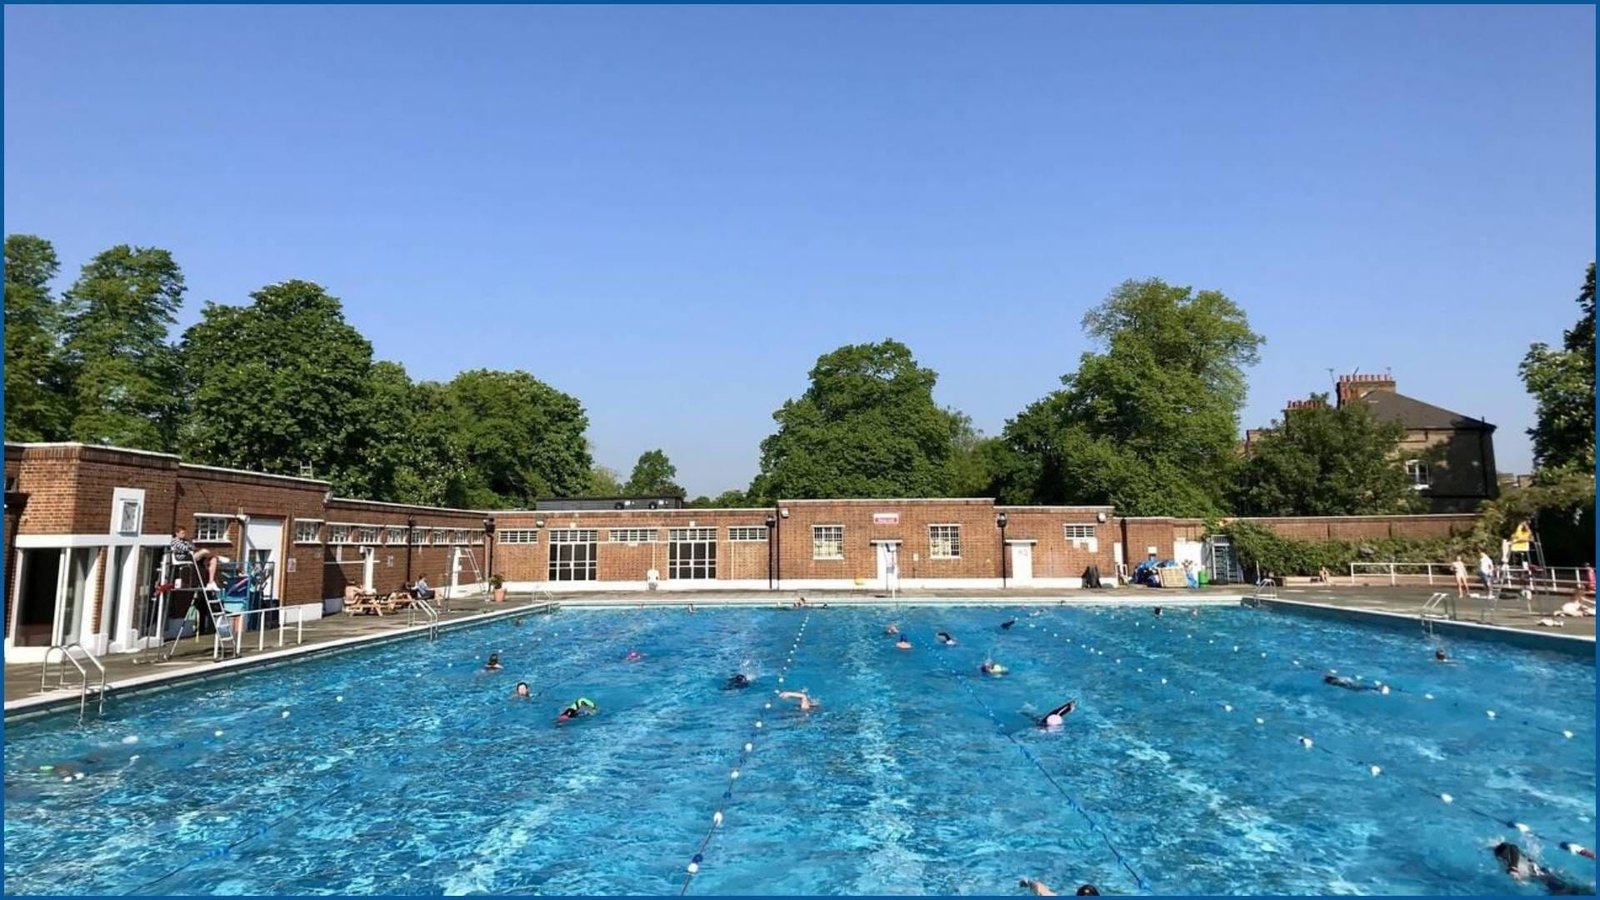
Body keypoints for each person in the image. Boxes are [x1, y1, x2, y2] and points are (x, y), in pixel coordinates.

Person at [1494, 841, 1594, 895]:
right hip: (1550, 881)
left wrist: (1513, 868)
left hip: (1550, 880)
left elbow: (1512, 848)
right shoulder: (1507, 862)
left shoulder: (1515, 860)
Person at [170, 526, 220, 591]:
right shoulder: (174, 541)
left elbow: (193, 547)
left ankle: (211, 582)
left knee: (213, 559)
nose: (184, 535)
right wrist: (189, 545)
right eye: (182, 533)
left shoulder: (186, 540)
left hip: (191, 555)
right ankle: (219, 557)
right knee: (204, 551)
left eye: (185, 533)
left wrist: (189, 544)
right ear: (177, 533)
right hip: (183, 557)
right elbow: (186, 548)